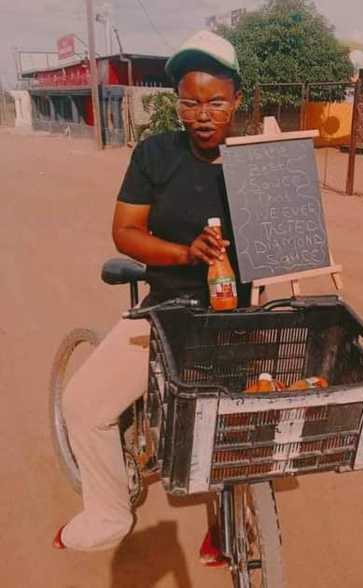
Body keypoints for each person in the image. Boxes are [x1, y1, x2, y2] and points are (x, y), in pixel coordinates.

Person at [54, 31, 250, 562]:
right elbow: (126, 231)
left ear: (237, 101)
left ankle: (232, 523)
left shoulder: (261, 158)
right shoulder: (156, 153)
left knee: (234, 428)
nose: (202, 115)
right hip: (165, 312)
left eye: (215, 102)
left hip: (238, 316)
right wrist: (186, 254)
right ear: (177, 103)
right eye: (190, 102)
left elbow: (291, 235)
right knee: (83, 404)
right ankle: (109, 511)